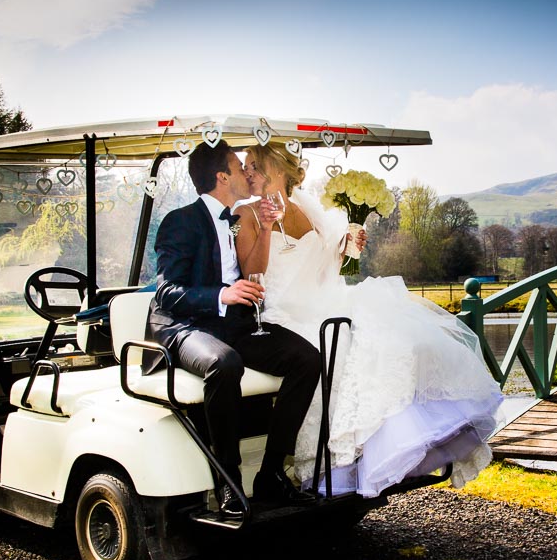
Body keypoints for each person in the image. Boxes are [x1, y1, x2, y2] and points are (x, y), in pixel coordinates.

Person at [239, 143, 504, 498]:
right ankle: (339, 460)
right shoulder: (247, 213)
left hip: (323, 302)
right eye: (245, 166)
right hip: (283, 312)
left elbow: (326, 267)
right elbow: (251, 274)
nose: (247, 172)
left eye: (253, 165)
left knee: (390, 337)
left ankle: (401, 444)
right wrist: (267, 226)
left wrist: (348, 246)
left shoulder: (306, 207)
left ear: (278, 169)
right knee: (339, 347)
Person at [143, 139, 323, 519]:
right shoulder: (181, 221)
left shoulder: (238, 218)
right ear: (223, 177)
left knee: (307, 358)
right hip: (185, 326)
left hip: (233, 322)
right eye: (240, 167)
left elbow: (253, 268)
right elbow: (167, 292)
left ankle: (272, 473)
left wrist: (267, 228)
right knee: (225, 364)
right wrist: (222, 295)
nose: (248, 172)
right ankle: (227, 480)